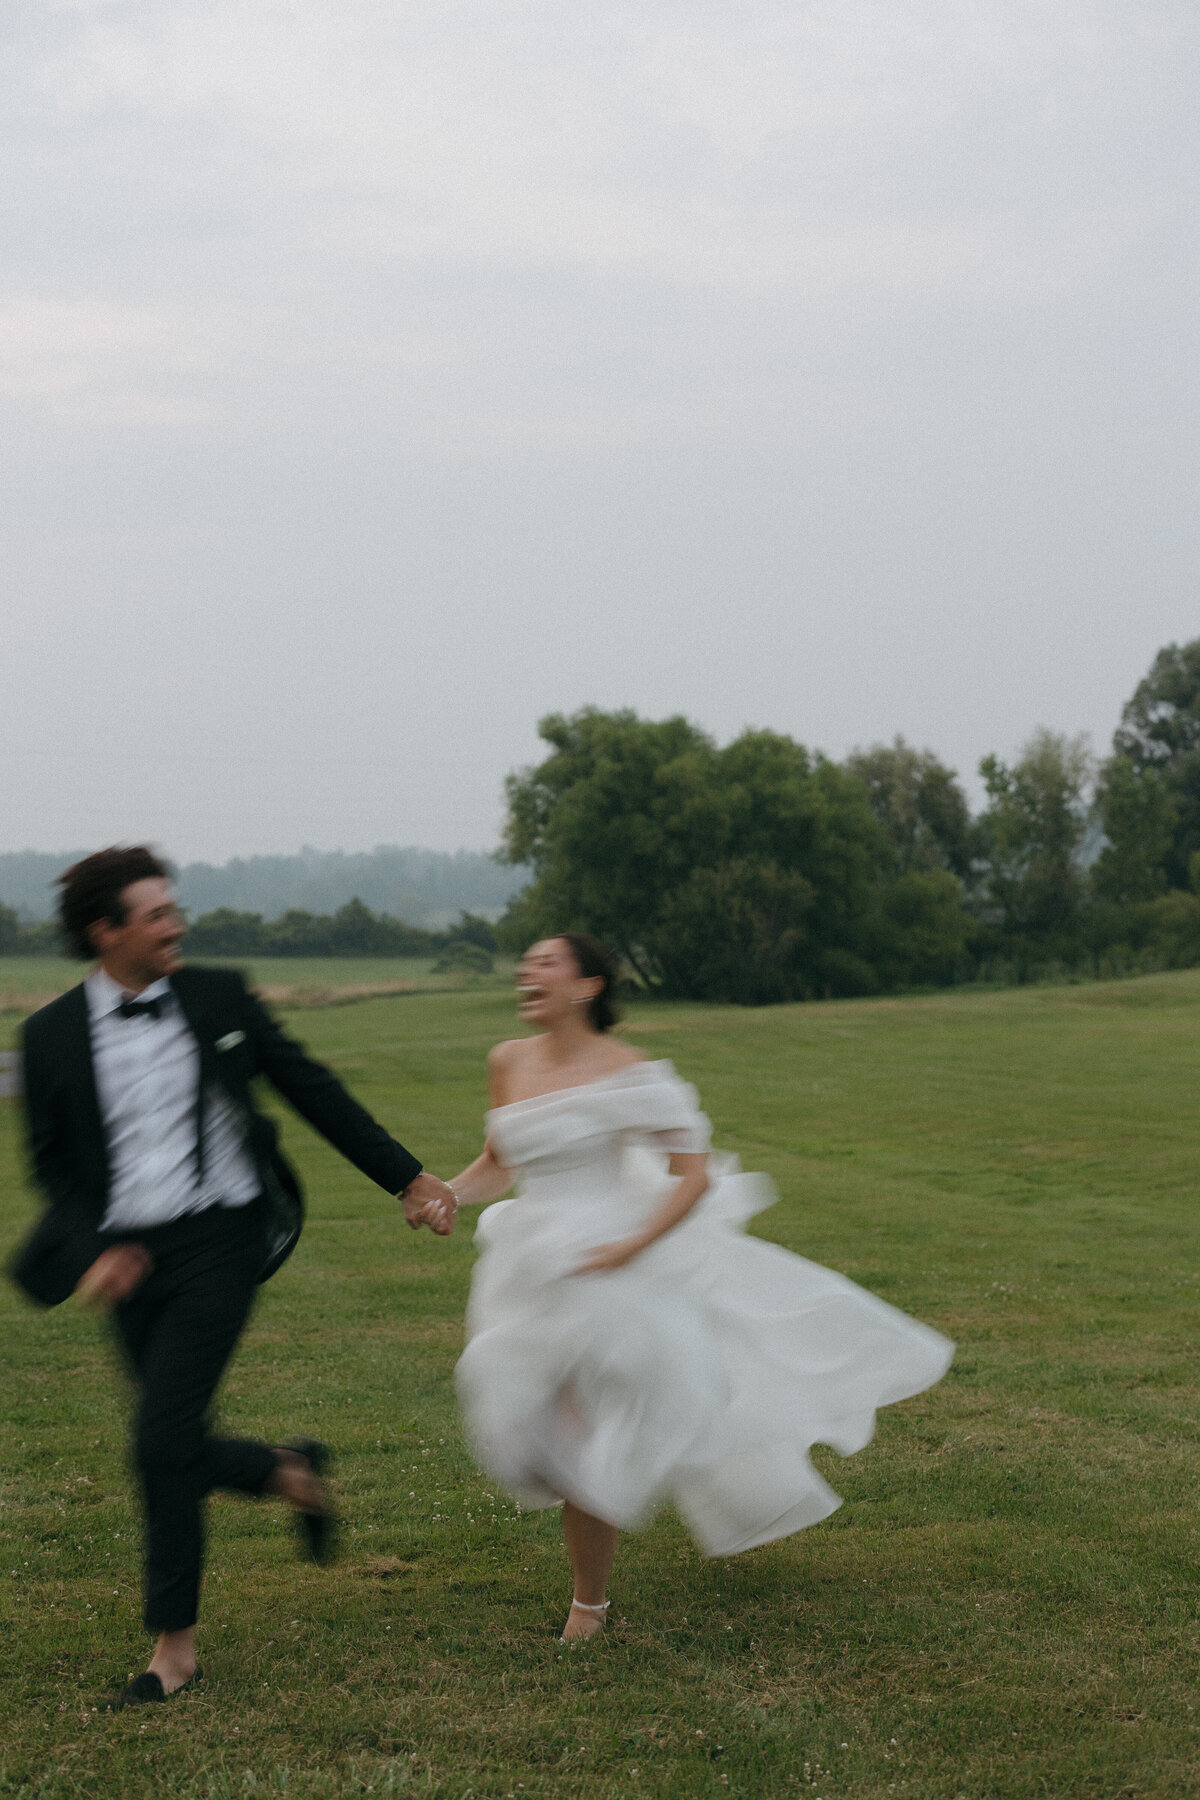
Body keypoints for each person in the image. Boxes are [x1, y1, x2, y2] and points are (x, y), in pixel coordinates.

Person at [10, 846, 457, 1709]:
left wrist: (406, 1177)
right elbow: (52, 1168)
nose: (175, 926)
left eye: (173, 909)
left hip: (222, 1240)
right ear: (105, 932)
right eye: (156, 915)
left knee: (158, 1441)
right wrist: (93, 1249)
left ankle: (173, 1652)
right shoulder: (50, 1034)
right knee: (173, 1438)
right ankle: (284, 1471)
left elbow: (309, 1086)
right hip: (129, 1259)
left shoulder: (218, 995)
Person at [444, 933, 954, 1642]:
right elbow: (501, 1162)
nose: (528, 972)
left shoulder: (631, 1073)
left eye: (547, 962)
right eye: (525, 963)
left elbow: (693, 1176)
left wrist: (632, 1246)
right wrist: (450, 1193)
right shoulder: (507, 1059)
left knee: (584, 1437)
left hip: (610, 1265)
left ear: (587, 986)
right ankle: (594, 1501)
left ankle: (588, 1605)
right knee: (522, 1428)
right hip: (527, 1265)